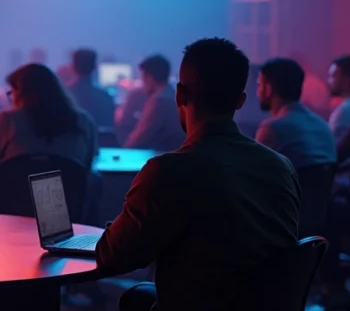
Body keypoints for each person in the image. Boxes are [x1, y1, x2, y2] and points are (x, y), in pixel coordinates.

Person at [97, 38, 300, 311]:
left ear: (180, 95)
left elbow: (113, 256)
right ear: (240, 101)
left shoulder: (168, 172)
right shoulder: (281, 166)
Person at [0, 63, 97, 212]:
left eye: (11, 93)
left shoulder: (8, 121)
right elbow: (87, 170)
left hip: (9, 211)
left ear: (20, 93)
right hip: (64, 214)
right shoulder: (84, 121)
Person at [255, 58, 336, 170]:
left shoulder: (272, 129)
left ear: (268, 89)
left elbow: (253, 172)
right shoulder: (323, 126)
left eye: (259, 85)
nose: (257, 92)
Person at [124, 55, 183, 152]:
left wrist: (122, 153)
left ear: (149, 78)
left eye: (143, 78)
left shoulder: (159, 101)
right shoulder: (173, 95)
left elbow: (140, 136)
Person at [67, 48, 116, 128]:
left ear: (72, 67)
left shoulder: (63, 94)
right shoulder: (106, 97)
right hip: (99, 140)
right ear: (95, 67)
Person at [327, 54, 350, 142]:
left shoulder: (346, 110)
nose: (328, 81)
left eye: (333, 76)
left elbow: (331, 147)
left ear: (347, 79)